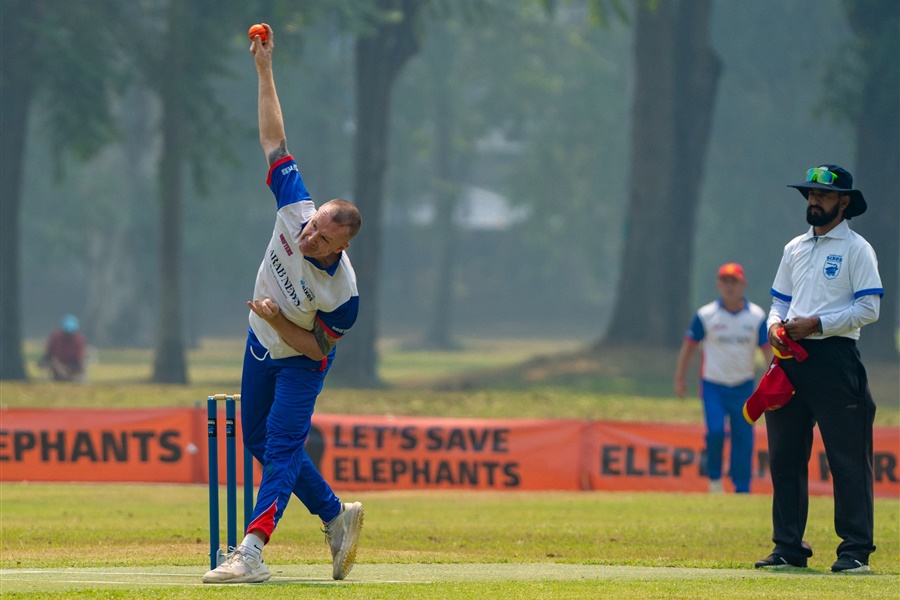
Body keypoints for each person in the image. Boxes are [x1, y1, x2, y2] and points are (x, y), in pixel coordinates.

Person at [203, 23, 364, 584]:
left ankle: (251, 552)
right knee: (255, 439)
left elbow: (318, 350)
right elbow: (275, 139)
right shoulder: (296, 206)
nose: (308, 237)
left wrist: (277, 317)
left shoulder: (342, 296)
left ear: (340, 248)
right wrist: (264, 68)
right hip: (260, 341)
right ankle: (335, 515)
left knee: (282, 444)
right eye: (313, 226)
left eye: (322, 238)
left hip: (301, 356)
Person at [754, 164, 882, 574]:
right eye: (809, 194)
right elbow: (778, 301)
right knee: (786, 456)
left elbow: (869, 308)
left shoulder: (857, 248)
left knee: (847, 458)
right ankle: (789, 546)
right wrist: (774, 325)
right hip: (790, 359)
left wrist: (818, 324)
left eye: (822, 196)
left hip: (834, 359)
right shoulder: (794, 247)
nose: (813, 201)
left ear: (843, 202)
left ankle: (855, 550)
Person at [674, 263, 773, 494]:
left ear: (743, 285)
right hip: (713, 386)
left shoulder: (756, 316)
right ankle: (715, 480)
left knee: (743, 437)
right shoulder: (706, 315)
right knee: (716, 431)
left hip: (743, 386)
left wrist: (772, 381)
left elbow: (767, 350)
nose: (729, 287)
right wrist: (680, 377)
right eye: (725, 282)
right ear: (718, 285)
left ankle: (741, 488)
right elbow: (689, 347)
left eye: (734, 282)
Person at [39, 314, 87, 382]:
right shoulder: (56, 337)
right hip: (57, 363)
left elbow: (80, 358)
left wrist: (78, 370)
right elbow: (51, 355)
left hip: (72, 364)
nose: (68, 336)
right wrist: (61, 369)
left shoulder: (79, 339)